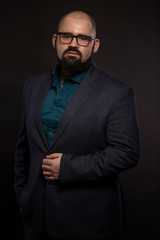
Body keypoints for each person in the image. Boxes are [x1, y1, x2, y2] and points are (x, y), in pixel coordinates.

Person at [14, 10, 140, 240]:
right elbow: (23, 149)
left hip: (87, 224)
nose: (74, 44)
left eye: (83, 38)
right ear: (55, 40)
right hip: (34, 221)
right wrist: (23, 197)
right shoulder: (32, 84)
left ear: (95, 44)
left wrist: (68, 167)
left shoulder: (118, 92)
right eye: (66, 36)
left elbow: (127, 153)